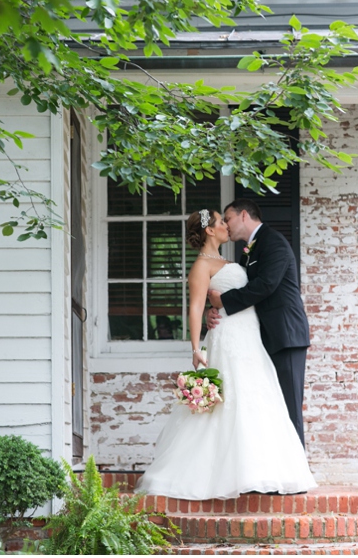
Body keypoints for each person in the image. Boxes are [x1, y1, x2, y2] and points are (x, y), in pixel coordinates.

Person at [134, 208, 316, 500]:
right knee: (231, 403)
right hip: (229, 337)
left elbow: (260, 287)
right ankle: (224, 474)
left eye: (225, 220)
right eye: (220, 222)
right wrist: (196, 347)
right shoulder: (201, 266)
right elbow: (195, 306)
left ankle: (264, 471)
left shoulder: (236, 258)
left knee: (258, 401)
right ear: (209, 230)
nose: (225, 226)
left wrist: (218, 305)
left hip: (251, 337)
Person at [207, 199, 310, 447]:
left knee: (288, 405)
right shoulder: (251, 248)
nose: (226, 225)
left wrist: (225, 302)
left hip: (285, 335)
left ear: (244, 215)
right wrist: (214, 310)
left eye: (227, 218)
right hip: (262, 337)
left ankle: (295, 475)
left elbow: (265, 285)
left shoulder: (273, 242)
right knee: (271, 406)